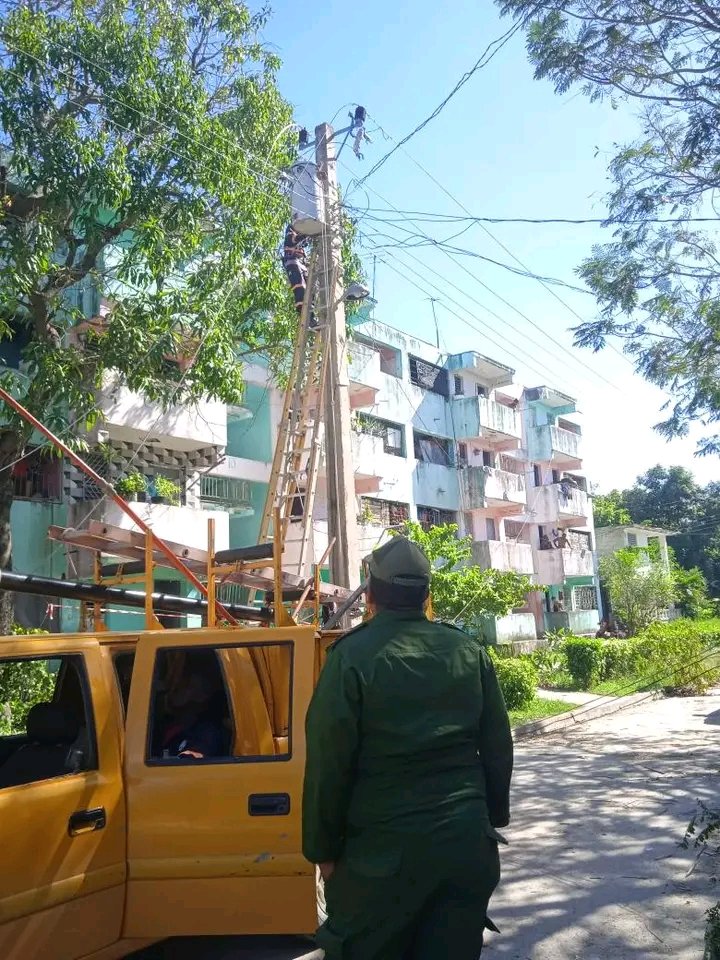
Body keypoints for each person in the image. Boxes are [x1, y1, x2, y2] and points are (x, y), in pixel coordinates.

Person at [303, 536, 513, 960]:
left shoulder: (350, 658)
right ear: (426, 594)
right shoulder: (469, 652)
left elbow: (329, 763)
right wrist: (491, 818)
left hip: (379, 860)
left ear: (372, 592)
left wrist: (322, 851)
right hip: (464, 848)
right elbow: (498, 748)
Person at [158, 667, 225, 760]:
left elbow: (194, 759)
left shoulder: (207, 731)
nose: (175, 688)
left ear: (201, 696)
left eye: (185, 685)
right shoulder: (162, 722)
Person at [282, 223, 316, 327]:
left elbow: (303, 242)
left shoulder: (301, 242)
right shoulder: (290, 236)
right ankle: (304, 314)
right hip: (292, 263)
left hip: (301, 264)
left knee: (311, 289)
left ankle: (311, 316)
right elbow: (295, 240)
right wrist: (308, 232)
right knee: (300, 288)